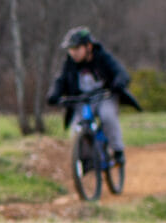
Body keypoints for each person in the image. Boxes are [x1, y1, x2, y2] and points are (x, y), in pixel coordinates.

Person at [47, 27, 140, 161]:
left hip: (105, 96)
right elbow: (60, 81)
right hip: (82, 100)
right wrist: (53, 95)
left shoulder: (102, 57)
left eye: (77, 48)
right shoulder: (70, 63)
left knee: (107, 117)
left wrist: (118, 83)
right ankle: (86, 158)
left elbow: (120, 72)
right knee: (76, 128)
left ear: (88, 46)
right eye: (71, 49)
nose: (73, 53)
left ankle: (117, 150)